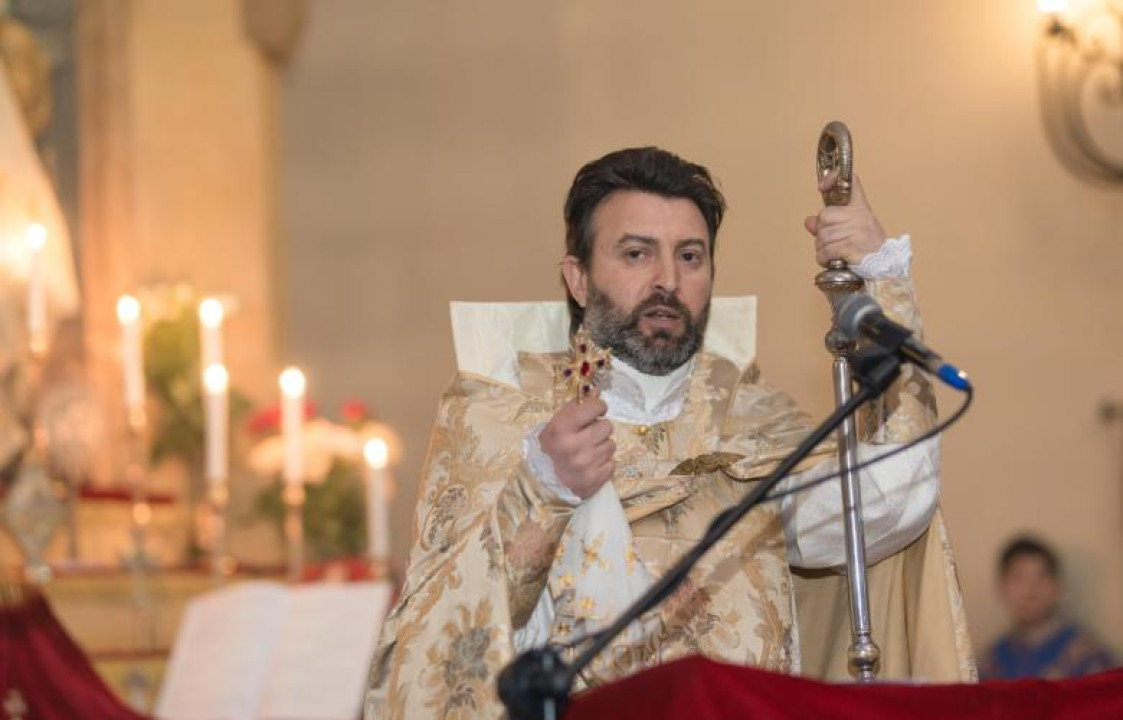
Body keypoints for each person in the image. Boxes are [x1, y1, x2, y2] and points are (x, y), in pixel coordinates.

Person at [365, 147, 975, 719]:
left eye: (690, 256)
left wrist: (880, 272)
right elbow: (434, 650)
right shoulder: (502, 412)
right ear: (578, 279)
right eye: (636, 254)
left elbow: (890, 504)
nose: (667, 280)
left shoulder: (752, 419)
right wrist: (543, 489)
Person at [980, 536, 1115, 680]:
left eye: (1041, 577)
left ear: (1058, 586)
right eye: (1019, 578)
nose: (1030, 589)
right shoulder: (992, 662)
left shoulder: (1086, 654)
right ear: (1002, 587)